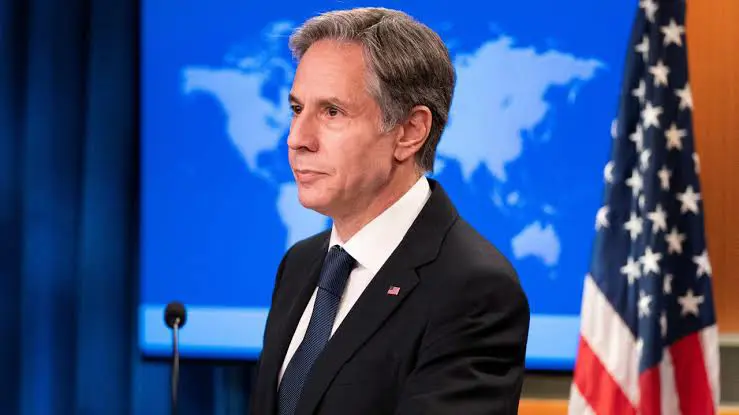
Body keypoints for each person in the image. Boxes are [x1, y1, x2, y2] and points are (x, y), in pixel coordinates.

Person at [249, 7, 530, 415]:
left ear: (409, 132)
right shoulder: (300, 264)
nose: (297, 138)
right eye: (297, 109)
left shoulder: (474, 290)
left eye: (331, 112)